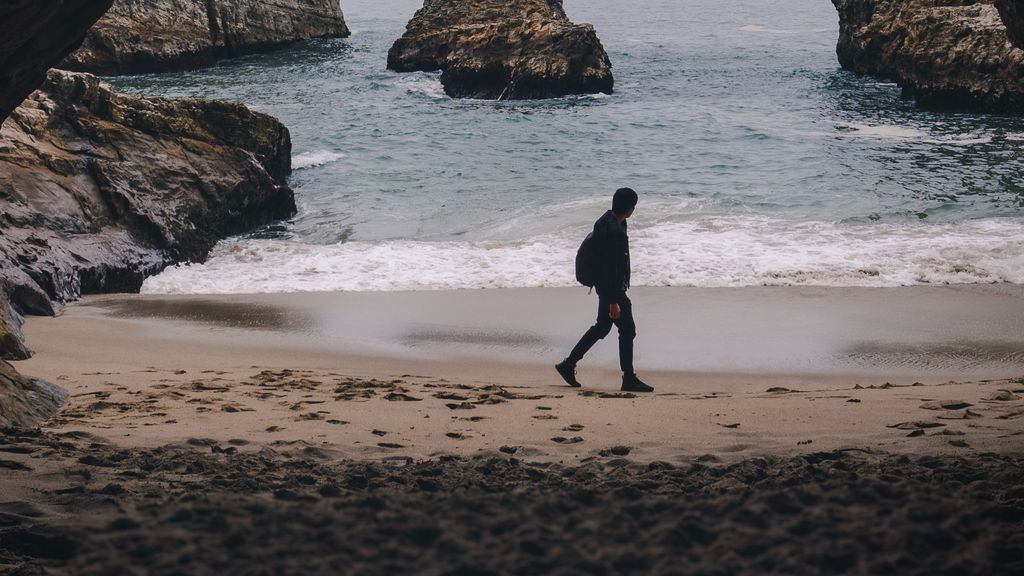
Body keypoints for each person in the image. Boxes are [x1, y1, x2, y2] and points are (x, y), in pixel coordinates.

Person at [556, 187, 654, 393]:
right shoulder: (613, 232)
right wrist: (613, 302)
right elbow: (610, 269)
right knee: (627, 330)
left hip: (606, 286)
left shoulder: (611, 222)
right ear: (630, 208)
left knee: (602, 327)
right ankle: (628, 378)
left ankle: (568, 364)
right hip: (611, 289)